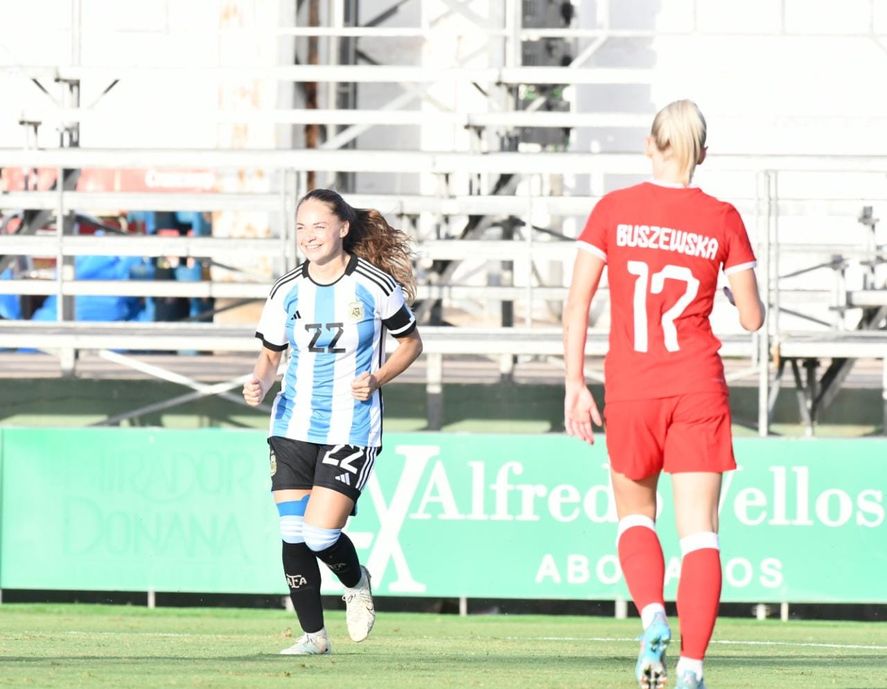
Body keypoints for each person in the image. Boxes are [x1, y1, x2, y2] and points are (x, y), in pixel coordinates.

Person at [563, 100, 765, 689]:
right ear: (702, 153)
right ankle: (693, 668)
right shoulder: (722, 218)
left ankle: (652, 612)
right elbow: (752, 318)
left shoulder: (614, 210)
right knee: (700, 531)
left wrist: (576, 385)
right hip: (698, 386)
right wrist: (730, 294)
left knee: (635, 518)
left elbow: (577, 303)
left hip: (632, 387)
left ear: (650, 145)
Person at [243, 188, 423, 656]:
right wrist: (259, 380)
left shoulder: (374, 285)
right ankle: (314, 637)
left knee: (320, 534)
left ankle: (356, 581)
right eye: (301, 227)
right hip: (292, 422)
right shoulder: (286, 290)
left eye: (318, 226)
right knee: (291, 530)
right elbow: (269, 353)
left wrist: (378, 377)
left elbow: (411, 344)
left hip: (352, 425)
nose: (309, 236)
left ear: (342, 228)